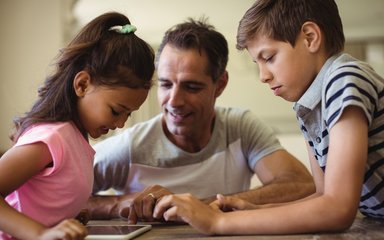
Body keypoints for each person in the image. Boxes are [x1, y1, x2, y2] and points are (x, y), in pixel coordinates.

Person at [152, 0, 384, 235]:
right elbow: (322, 196)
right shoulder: (308, 106)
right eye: (257, 63)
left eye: (269, 57)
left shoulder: (344, 79)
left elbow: (337, 208)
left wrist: (217, 222)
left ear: (310, 37)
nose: (263, 76)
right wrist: (254, 210)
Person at [86, 17, 315, 223]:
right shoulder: (129, 147)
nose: (174, 101)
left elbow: (301, 184)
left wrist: (199, 206)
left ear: (220, 84)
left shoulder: (241, 127)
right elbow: (53, 196)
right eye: (165, 84)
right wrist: (117, 205)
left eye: (191, 87)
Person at [0, 12, 155, 240]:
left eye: (128, 114)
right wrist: (40, 233)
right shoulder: (51, 138)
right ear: (82, 85)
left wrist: (66, 216)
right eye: (115, 111)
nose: (120, 123)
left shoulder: (76, 140)